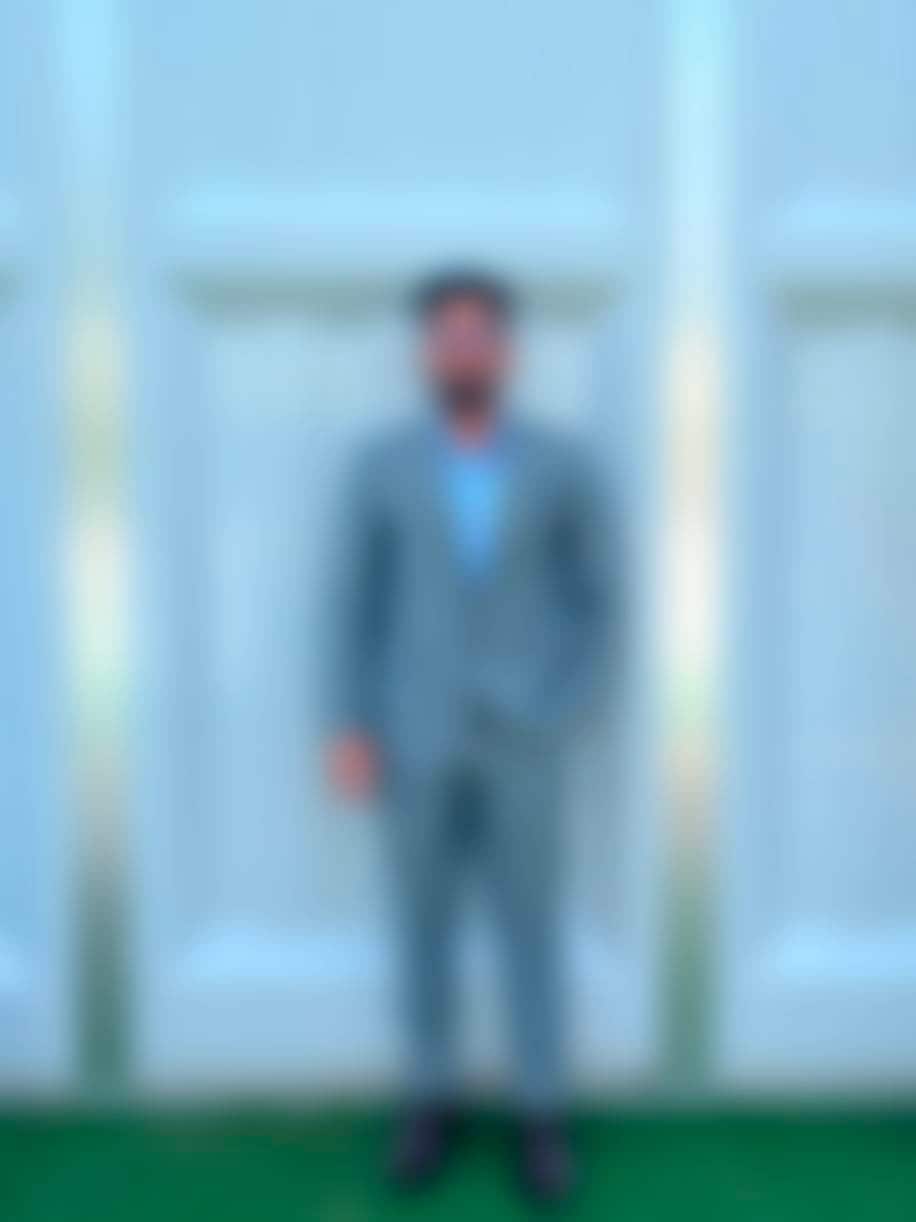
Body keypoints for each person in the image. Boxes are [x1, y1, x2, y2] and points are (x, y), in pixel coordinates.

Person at [326, 268, 612, 1203]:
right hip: (414, 736)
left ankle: (542, 1114)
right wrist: (349, 721)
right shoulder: (381, 465)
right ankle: (429, 1100)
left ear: (506, 351)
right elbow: (353, 601)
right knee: (422, 924)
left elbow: (597, 598)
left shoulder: (563, 464)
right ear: (425, 353)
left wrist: (562, 701)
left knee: (531, 926)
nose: (464, 352)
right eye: (446, 337)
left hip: (524, 739)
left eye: (480, 335)